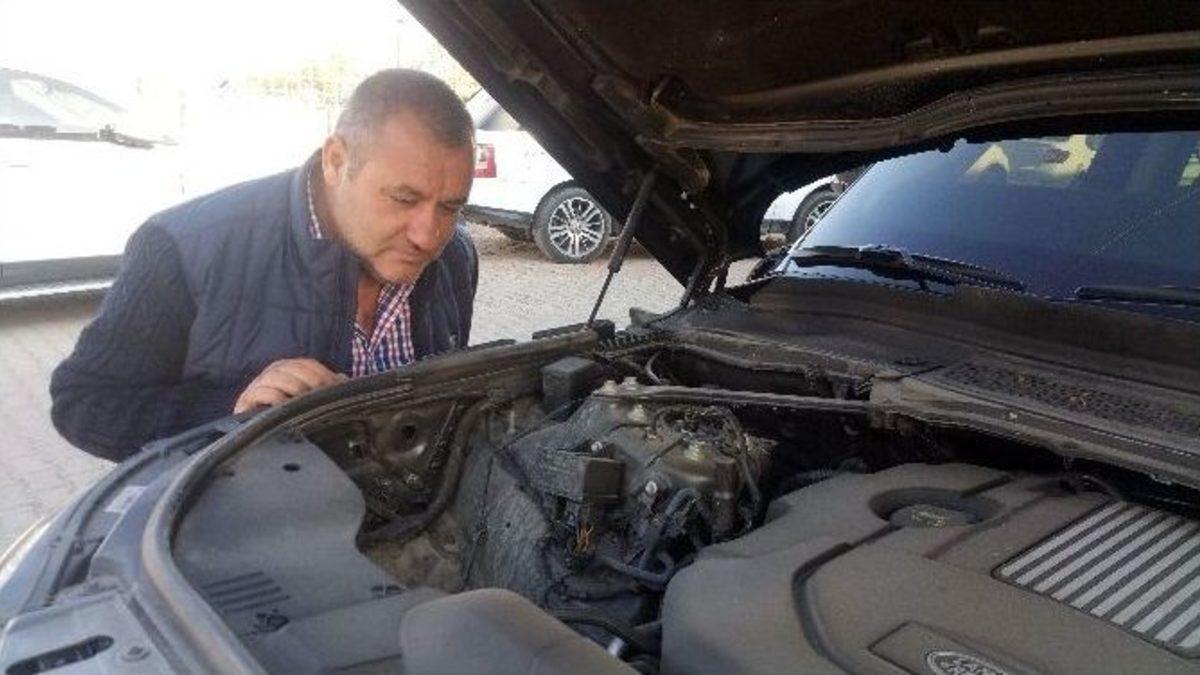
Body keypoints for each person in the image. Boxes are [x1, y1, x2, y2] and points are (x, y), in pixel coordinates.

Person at [50, 69, 478, 461]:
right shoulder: (184, 248)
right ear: (335, 161)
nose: (428, 236)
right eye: (404, 199)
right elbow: (83, 403)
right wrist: (232, 410)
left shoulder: (456, 257)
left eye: (450, 207)